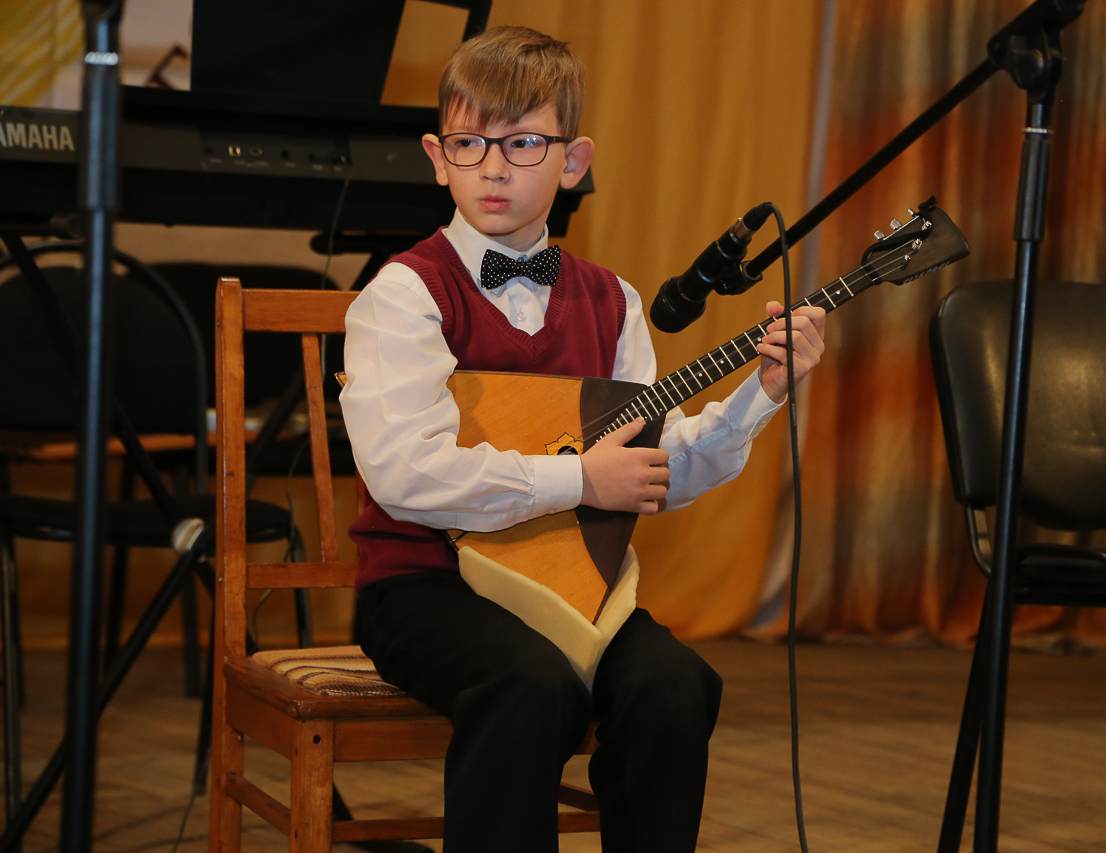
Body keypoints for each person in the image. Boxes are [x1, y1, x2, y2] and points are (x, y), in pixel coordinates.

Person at [339, 25, 826, 853]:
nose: (494, 167)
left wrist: (762, 394)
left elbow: (649, 468)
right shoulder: (405, 294)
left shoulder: (614, 302)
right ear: (437, 157)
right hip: (423, 586)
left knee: (675, 683)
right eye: (469, 143)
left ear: (574, 161)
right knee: (529, 683)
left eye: (524, 142)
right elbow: (405, 474)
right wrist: (579, 482)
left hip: (571, 587)